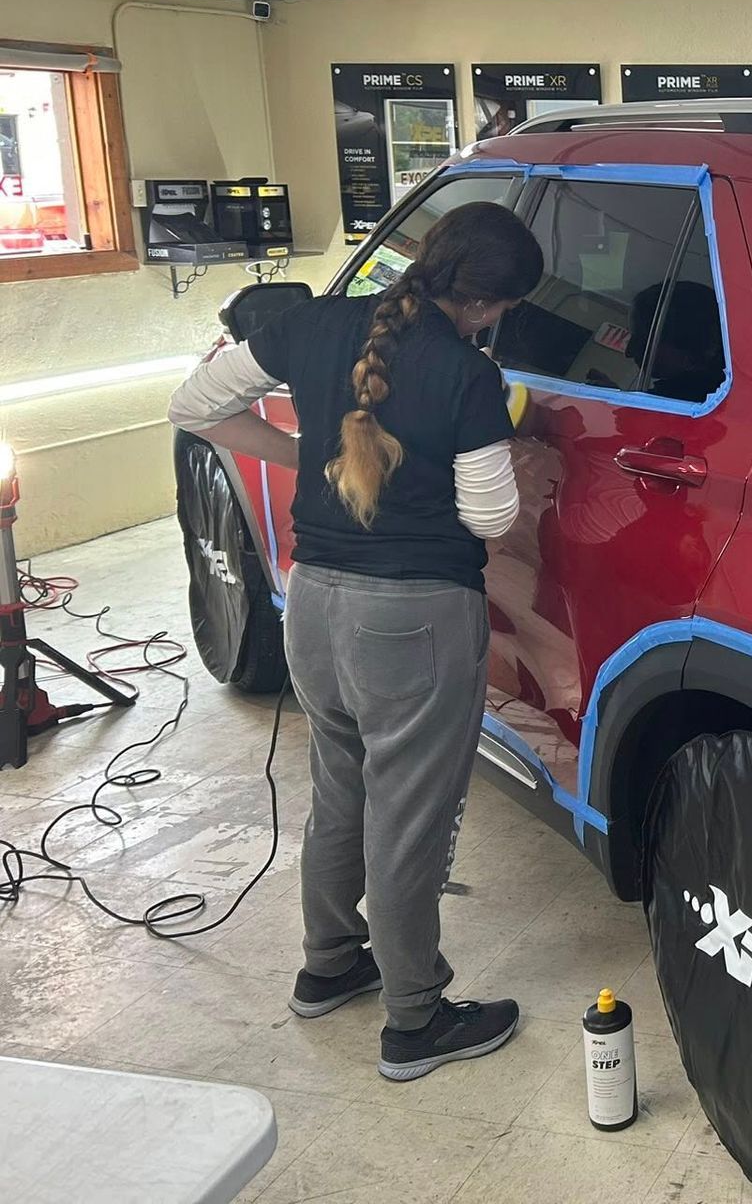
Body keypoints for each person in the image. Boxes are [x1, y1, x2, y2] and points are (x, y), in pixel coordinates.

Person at [168, 201, 543, 1081]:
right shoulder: (467, 376)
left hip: (316, 599)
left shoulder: (315, 321)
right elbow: (491, 514)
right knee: (410, 817)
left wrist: (319, 460)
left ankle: (330, 963)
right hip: (412, 617)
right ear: (487, 306)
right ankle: (415, 1021)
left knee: (341, 790)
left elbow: (196, 405)